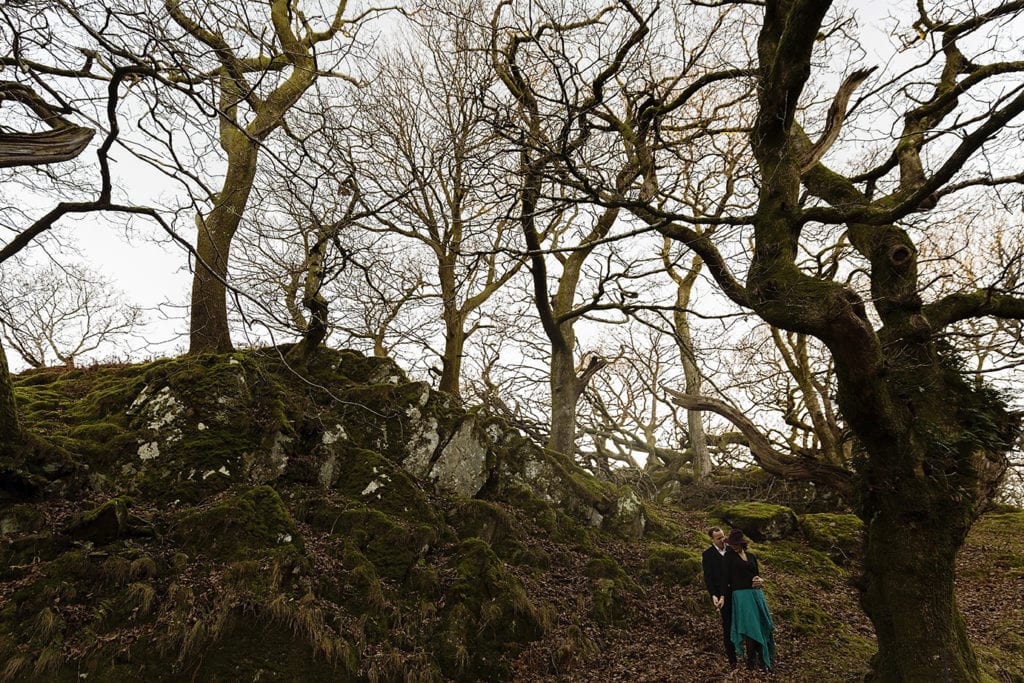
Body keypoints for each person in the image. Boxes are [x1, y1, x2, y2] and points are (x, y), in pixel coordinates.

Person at [719, 528, 775, 671]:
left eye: (736, 544)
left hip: (756, 594)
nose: (734, 546)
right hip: (741, 596)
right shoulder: (728, 557)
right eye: (732, 544)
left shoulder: (751, 556)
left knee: (762, 624)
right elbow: (725, 579)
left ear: (742, 544)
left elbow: (757, 574)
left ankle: (763, 658)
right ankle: (751, 661)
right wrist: (723, 596)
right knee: (750, 627)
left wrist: (760, 580)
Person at [701, 526, 736, 668]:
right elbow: (708, 578)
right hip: (722, 596)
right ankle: (732, 659)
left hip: (738, 592)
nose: (723, 539)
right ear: (712, 539)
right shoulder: (708, 555)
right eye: (719, 538)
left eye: (723, 536)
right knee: (727, 626)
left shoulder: (732, 549)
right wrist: (713, 595)